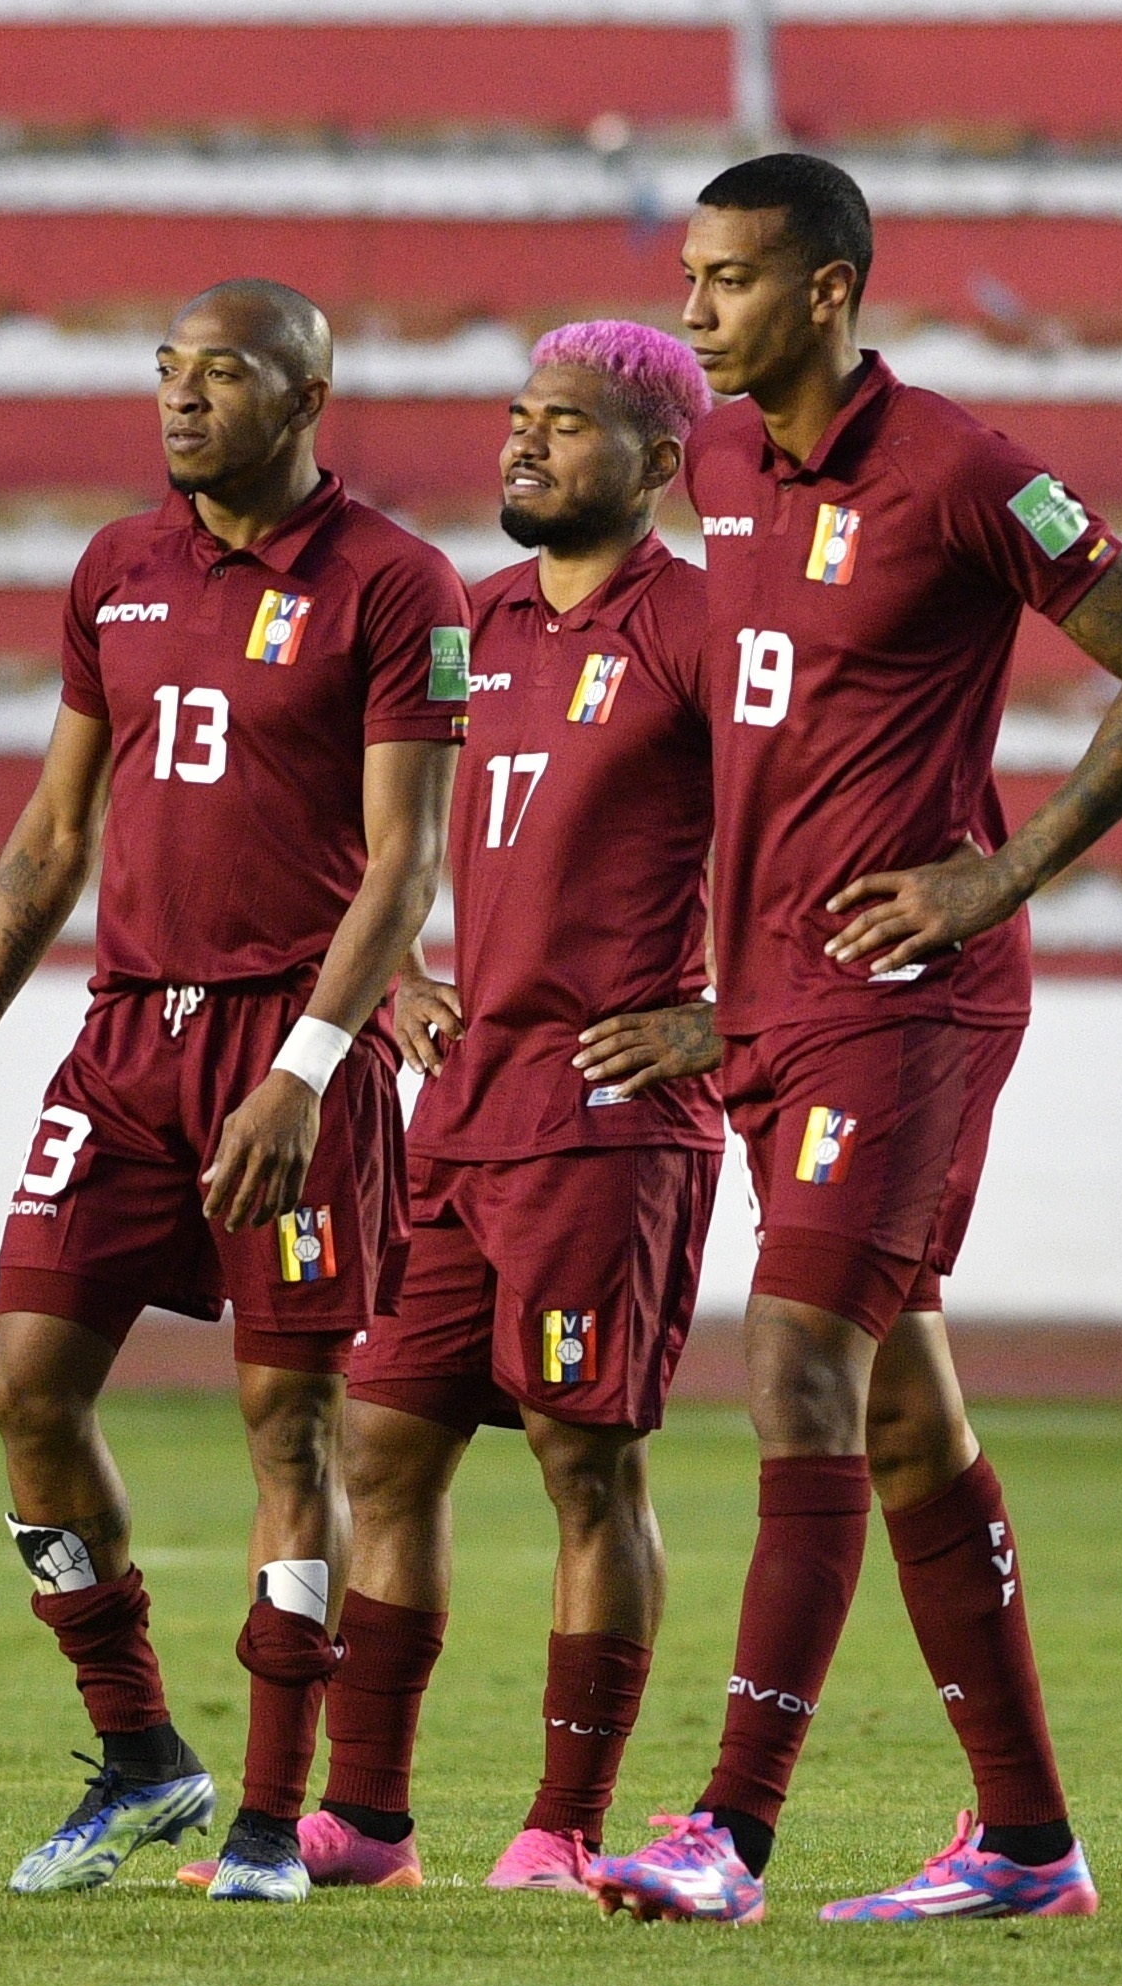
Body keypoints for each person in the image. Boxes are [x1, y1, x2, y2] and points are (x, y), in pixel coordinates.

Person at [588, 154, 1122, 1924]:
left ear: (827, 291)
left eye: (728, 281)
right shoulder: (714, 465)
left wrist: (996, 874)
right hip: (775, 1003)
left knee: (794, 1351)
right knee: (903, 1413)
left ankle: (731, 1828)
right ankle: (1025, 1838)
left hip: (913, 997)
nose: (697, 307)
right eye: (694, 275)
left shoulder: (961, 468)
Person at [0, 279, 466, 1904]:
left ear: (307, 397)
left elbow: (404, 862)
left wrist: (310, 1066)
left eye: (226, 372)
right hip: (126, 1035)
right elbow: (53, 833)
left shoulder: (396, 583)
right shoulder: (115, 567)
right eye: (168, 369)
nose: (185, 397)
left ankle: (274, 1822)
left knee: (289, 1423)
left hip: (292, 1044)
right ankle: (143, 1751)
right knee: (24, 1385)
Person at [286, 322, 725, 1898]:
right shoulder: (465, 629)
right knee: (386, 1450)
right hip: (458, 1114)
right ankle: (371, 1818)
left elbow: (812, 833)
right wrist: (398, 968)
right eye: (519, 420)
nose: (523, 448)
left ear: (661, 464)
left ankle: (562, 1823)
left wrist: (725, 1015)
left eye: (567, 427)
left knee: (582, 1464)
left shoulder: (701, 629)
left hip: (609, 1122)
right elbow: (369, 826)